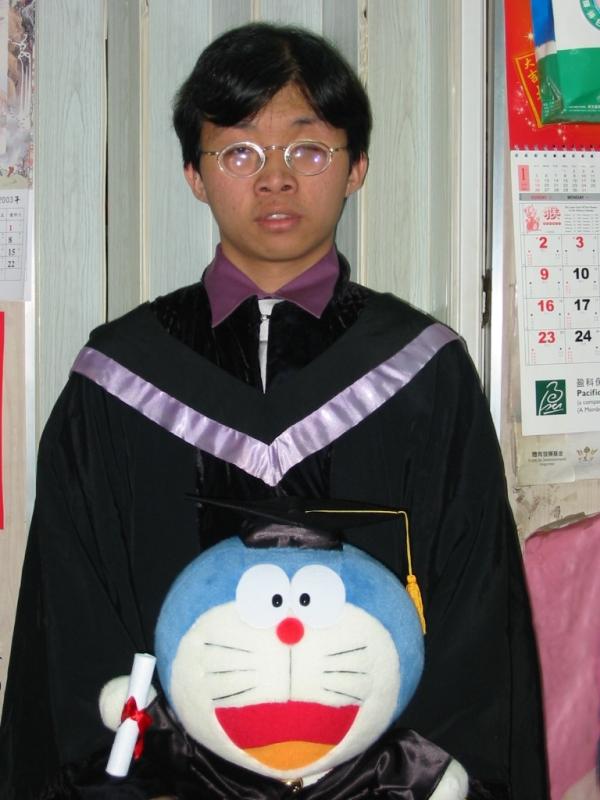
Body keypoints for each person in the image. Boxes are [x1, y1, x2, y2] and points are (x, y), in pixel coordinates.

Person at [0, 22, 547, 799]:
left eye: (308, 149)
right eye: (240, 152)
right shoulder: (118, 378)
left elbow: (474, 620)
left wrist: (406, 777)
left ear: (356, 167)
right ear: (195, 174)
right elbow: (74, 618)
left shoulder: (424, 372)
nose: (276, 180)